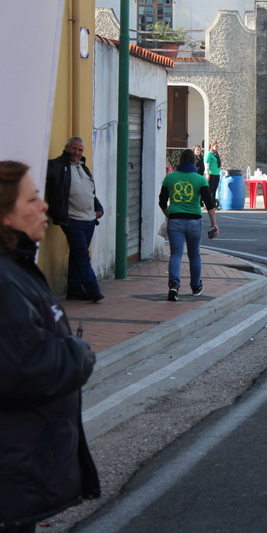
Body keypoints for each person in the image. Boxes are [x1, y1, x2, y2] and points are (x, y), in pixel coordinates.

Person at [0, 160, 101, 533]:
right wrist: (77, 353)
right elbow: (21, 366)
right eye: (32, 199)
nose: (44, 206)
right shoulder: (5, 279)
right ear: (5, 216)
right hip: (13, 468)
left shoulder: (17, 268)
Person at [45, 136, 105, 302]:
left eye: (80, 150)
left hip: (89, 220)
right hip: (72, 219)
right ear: (66, 148)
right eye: (74, 149)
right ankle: (93, 289)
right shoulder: (56, 165)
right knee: (82, 255)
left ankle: (75, 290)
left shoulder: (84, 168)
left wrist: (98, 208)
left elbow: (90, 192)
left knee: (77, 256)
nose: (77, 152)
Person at [160, 149, 219, 301]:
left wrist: (170, 215)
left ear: (179, 161)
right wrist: (214, 224)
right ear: (194, 162)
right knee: (194, 255)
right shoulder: (200, 180)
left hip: (175, 220)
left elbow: (162, 202)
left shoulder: (169, 178)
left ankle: (173, 285)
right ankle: (195, 286)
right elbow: (209, 203)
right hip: (194, 221)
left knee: (176, 254)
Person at [203, 141, 221, 209]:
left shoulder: (216, 154)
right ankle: (207, 204)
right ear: (212, 146)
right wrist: (207, 174)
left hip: (216, 173)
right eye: (216, 146)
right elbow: (206, 164)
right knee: (209, 190)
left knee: (214, 190)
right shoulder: (209, 154)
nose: (217, 147)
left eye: (217, 146)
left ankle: (213, 204)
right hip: (210, 173)